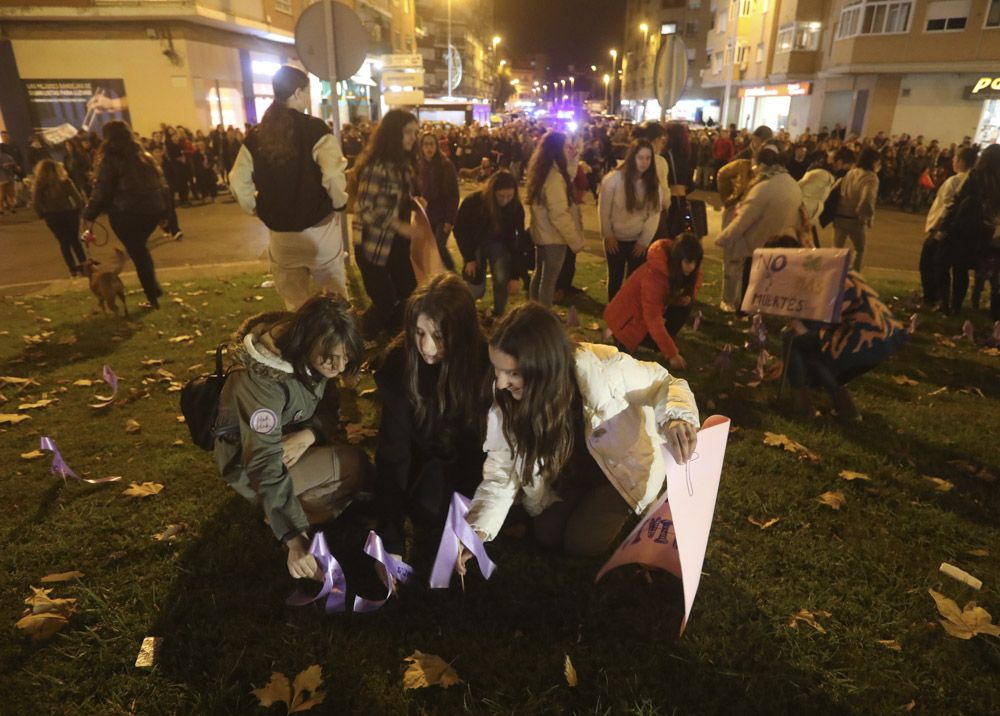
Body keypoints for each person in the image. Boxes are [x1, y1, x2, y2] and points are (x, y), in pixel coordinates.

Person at [454, 303, 699, 565]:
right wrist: (477, 529)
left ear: (543, 366)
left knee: (581, 543)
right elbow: (502, 470)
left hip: (622, 473)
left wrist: (677, 417)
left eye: (513, 373)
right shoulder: (509, 398)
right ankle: (581, 500)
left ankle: (618, 508)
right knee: (546, 534)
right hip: (574, 474)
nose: (501, 383)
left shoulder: (603, 370)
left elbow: (664, 381)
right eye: (497, 369)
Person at [214, 295, 371, 581]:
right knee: (353, 465)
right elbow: (263, 462)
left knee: (356, 471)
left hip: (289, 445)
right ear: (308, 340)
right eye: (331, 358)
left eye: (346, 357)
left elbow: (327, 407)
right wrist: (295, 541)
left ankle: (286, 507)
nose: (338, 368)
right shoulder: (261, 381)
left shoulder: (309, 349)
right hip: (252, 463)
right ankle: (281, 514)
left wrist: (309, 435)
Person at [372, 274, 489, 559]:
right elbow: (393, 454)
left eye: (438, 336)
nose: (427, 347)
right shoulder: (399, 366)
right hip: (426, 462)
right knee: (430, 511)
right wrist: (391, 543)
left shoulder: (486, 364)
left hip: (477, 464)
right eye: (419, 333)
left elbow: (488, 447)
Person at [230, 65, 349, 310]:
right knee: (337, 304)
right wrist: (339, 202)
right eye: (307, 91)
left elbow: (237, 180)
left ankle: (303, 346)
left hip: (282, 237)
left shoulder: (257, 135)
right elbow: (334, 176)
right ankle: (339, 346)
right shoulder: (316, 130)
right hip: (320, 233)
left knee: (296, 308)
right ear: (297, 93)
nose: (309, 97)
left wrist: (254, 207)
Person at [775, 237, 907, 421]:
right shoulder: (824, 265)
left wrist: (795, 321)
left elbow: (812, 326)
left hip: (867, 342)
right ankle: (817, 405)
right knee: (797, 340)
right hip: (886, 335)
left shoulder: (819, 275)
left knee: (803, 345)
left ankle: (811, 406)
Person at [82, 120, 168, 309]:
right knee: (140, 250)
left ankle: (152, 297)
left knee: (139, 254)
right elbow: (161, 183)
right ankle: (154, 289)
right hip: (151, 211)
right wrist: (164, 211)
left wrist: (89, 215)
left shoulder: (110, 159)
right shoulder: (143, 156)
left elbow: (102, 190)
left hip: (126, 213)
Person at [353, 109, 421, 339]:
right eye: (408, 132)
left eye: (415, 132)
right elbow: (365, 208)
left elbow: (397, 200)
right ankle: (358, 338)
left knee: (408, 293)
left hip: (396, 246)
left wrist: (415, 203)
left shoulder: (403, 165)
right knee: (384, 300)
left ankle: (394, 338)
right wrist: (398, 225)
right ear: (394, 134)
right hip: (373, 245)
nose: (413, 138)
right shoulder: (377, 167)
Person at [715, 144, 803, 308]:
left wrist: (723, 238)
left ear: (762, 165)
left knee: (748, 281)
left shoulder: (764, 187)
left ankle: (743, 312)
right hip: (779, 244)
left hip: (756, 245)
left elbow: (744, 220)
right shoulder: (792, 183)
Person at [604, 233, 704, 371]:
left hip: (642, 316)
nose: (691, 267)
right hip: (625, 322)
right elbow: (652, 318)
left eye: (695, 262)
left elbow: (696, 281)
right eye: (688, 262)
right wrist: (672, 354)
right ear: (678, 258)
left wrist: (687, 297)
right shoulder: (654, 276)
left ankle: (661, 342)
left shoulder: (681, 270)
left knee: (685, 306)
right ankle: (651, 343)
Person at [936, 143, 1000, 316]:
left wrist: (944, 226)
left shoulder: (976, 175)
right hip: (981, 233)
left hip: (960, 227)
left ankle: (944, 303)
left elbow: (957, 201)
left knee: (942, 263)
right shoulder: (997, 183)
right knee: (961, 268)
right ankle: (956, 305)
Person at [453, 170, 527, 317]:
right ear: (492, 192)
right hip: (476, 245)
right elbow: (460, 230)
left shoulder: (516, 208)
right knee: (475, 288)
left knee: (501, 278)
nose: (505, 200)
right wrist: (469, 258)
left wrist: (515, 276)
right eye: (501, 196)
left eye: (509, 196)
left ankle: (498, 313)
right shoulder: (473, 203)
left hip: (499, 246)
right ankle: (464, 313)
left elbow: (518, 242)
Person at [526, 131, 585, 307]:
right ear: (556, 150)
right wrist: (575, 241)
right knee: (548, 280)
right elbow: (559, 213)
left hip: (543, 233)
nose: (571, 149)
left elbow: (569, 174)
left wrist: (574, 158)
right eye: (567, 147)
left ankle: (534, 312)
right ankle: (542, 318)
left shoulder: (545, 170)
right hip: (553, 236)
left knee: (539, 275)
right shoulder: (554, 178)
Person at [598, 138, 661, 301]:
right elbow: (604, 210)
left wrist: (644, 241)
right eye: (640, 157)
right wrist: (608, 234)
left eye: (648, 158)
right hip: (616, 238)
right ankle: (613, 316)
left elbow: (654, 214)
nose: (644, 162)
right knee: (615, 278)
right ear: (632, 157)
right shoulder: (613, 179)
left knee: (634, 282)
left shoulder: (653, 184)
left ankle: (629, 318)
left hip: (637, 240)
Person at [921, 146, 977, 307]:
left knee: (931, 263)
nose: (953, 161)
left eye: (955, 159)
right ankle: (954, 303)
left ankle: (935, 297)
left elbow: (947, 207)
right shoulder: (975, 181)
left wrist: (937, 229)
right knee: (959, 268)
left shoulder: (954, 181)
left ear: (960, 161)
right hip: (963, 232)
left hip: (944, 229)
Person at [31, 159, 88, 277]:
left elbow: (36, 203)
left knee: (63, 243)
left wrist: (43, 214)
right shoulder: (65, 182)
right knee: (75, 240)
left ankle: (72, 269)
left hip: (52, 216)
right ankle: (84, 266)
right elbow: (78, 198)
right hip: (69, 213)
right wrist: (79, 210)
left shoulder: (39, 185)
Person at [416, 130, 460, 271]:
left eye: (432, 144)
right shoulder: (419, 165)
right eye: (426, 144)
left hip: (442, 215)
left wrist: (449, 219)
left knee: (439, 246)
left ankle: (453, 273)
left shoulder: (445, 165)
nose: (429, 148)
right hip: (427, 215)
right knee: (429, 249)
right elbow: (415, 189)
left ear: (437, 146)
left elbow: (453, 194)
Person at [833, 147, 881, 271]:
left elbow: (838, 188)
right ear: (874, 162)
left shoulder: (851, 172)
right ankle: (855, 275)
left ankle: (833, 272)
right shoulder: (871, 177)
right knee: (860, 249)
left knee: (837, 248)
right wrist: (866, 217)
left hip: (839, 215)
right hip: (854, 219)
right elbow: (867, 199)